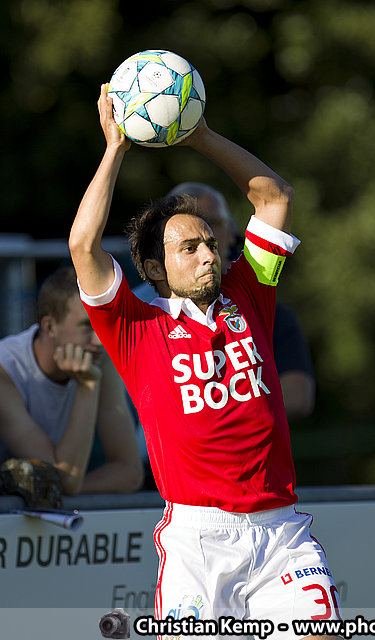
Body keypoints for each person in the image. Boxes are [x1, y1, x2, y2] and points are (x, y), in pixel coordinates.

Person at [69, 83, 342, 639]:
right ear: (155, 267)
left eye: (211, 243)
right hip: (198, 539)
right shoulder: (134, 327)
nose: (207, 254)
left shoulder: (250, 290)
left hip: (282, 532)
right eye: (188, 247)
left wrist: (201, 136)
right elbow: (82, 246)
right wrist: (115, 149)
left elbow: (275, 197)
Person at [133, 181, 316, 422]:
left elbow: (298, 397)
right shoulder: (136, 313)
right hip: (144, 446)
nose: (199, 231)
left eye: (211, 222)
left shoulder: (256, 297)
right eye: (184, 228)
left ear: (231, 232)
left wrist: (220, 425)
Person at [0, 266, 143, 495]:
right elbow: (64, 478)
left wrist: (62, 494)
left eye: (103, 325)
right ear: (49, 327)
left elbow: (129, 473)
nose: (99, 341)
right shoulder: (5, 369)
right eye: (87, 326)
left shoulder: (99, 359)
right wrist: (87, 386)